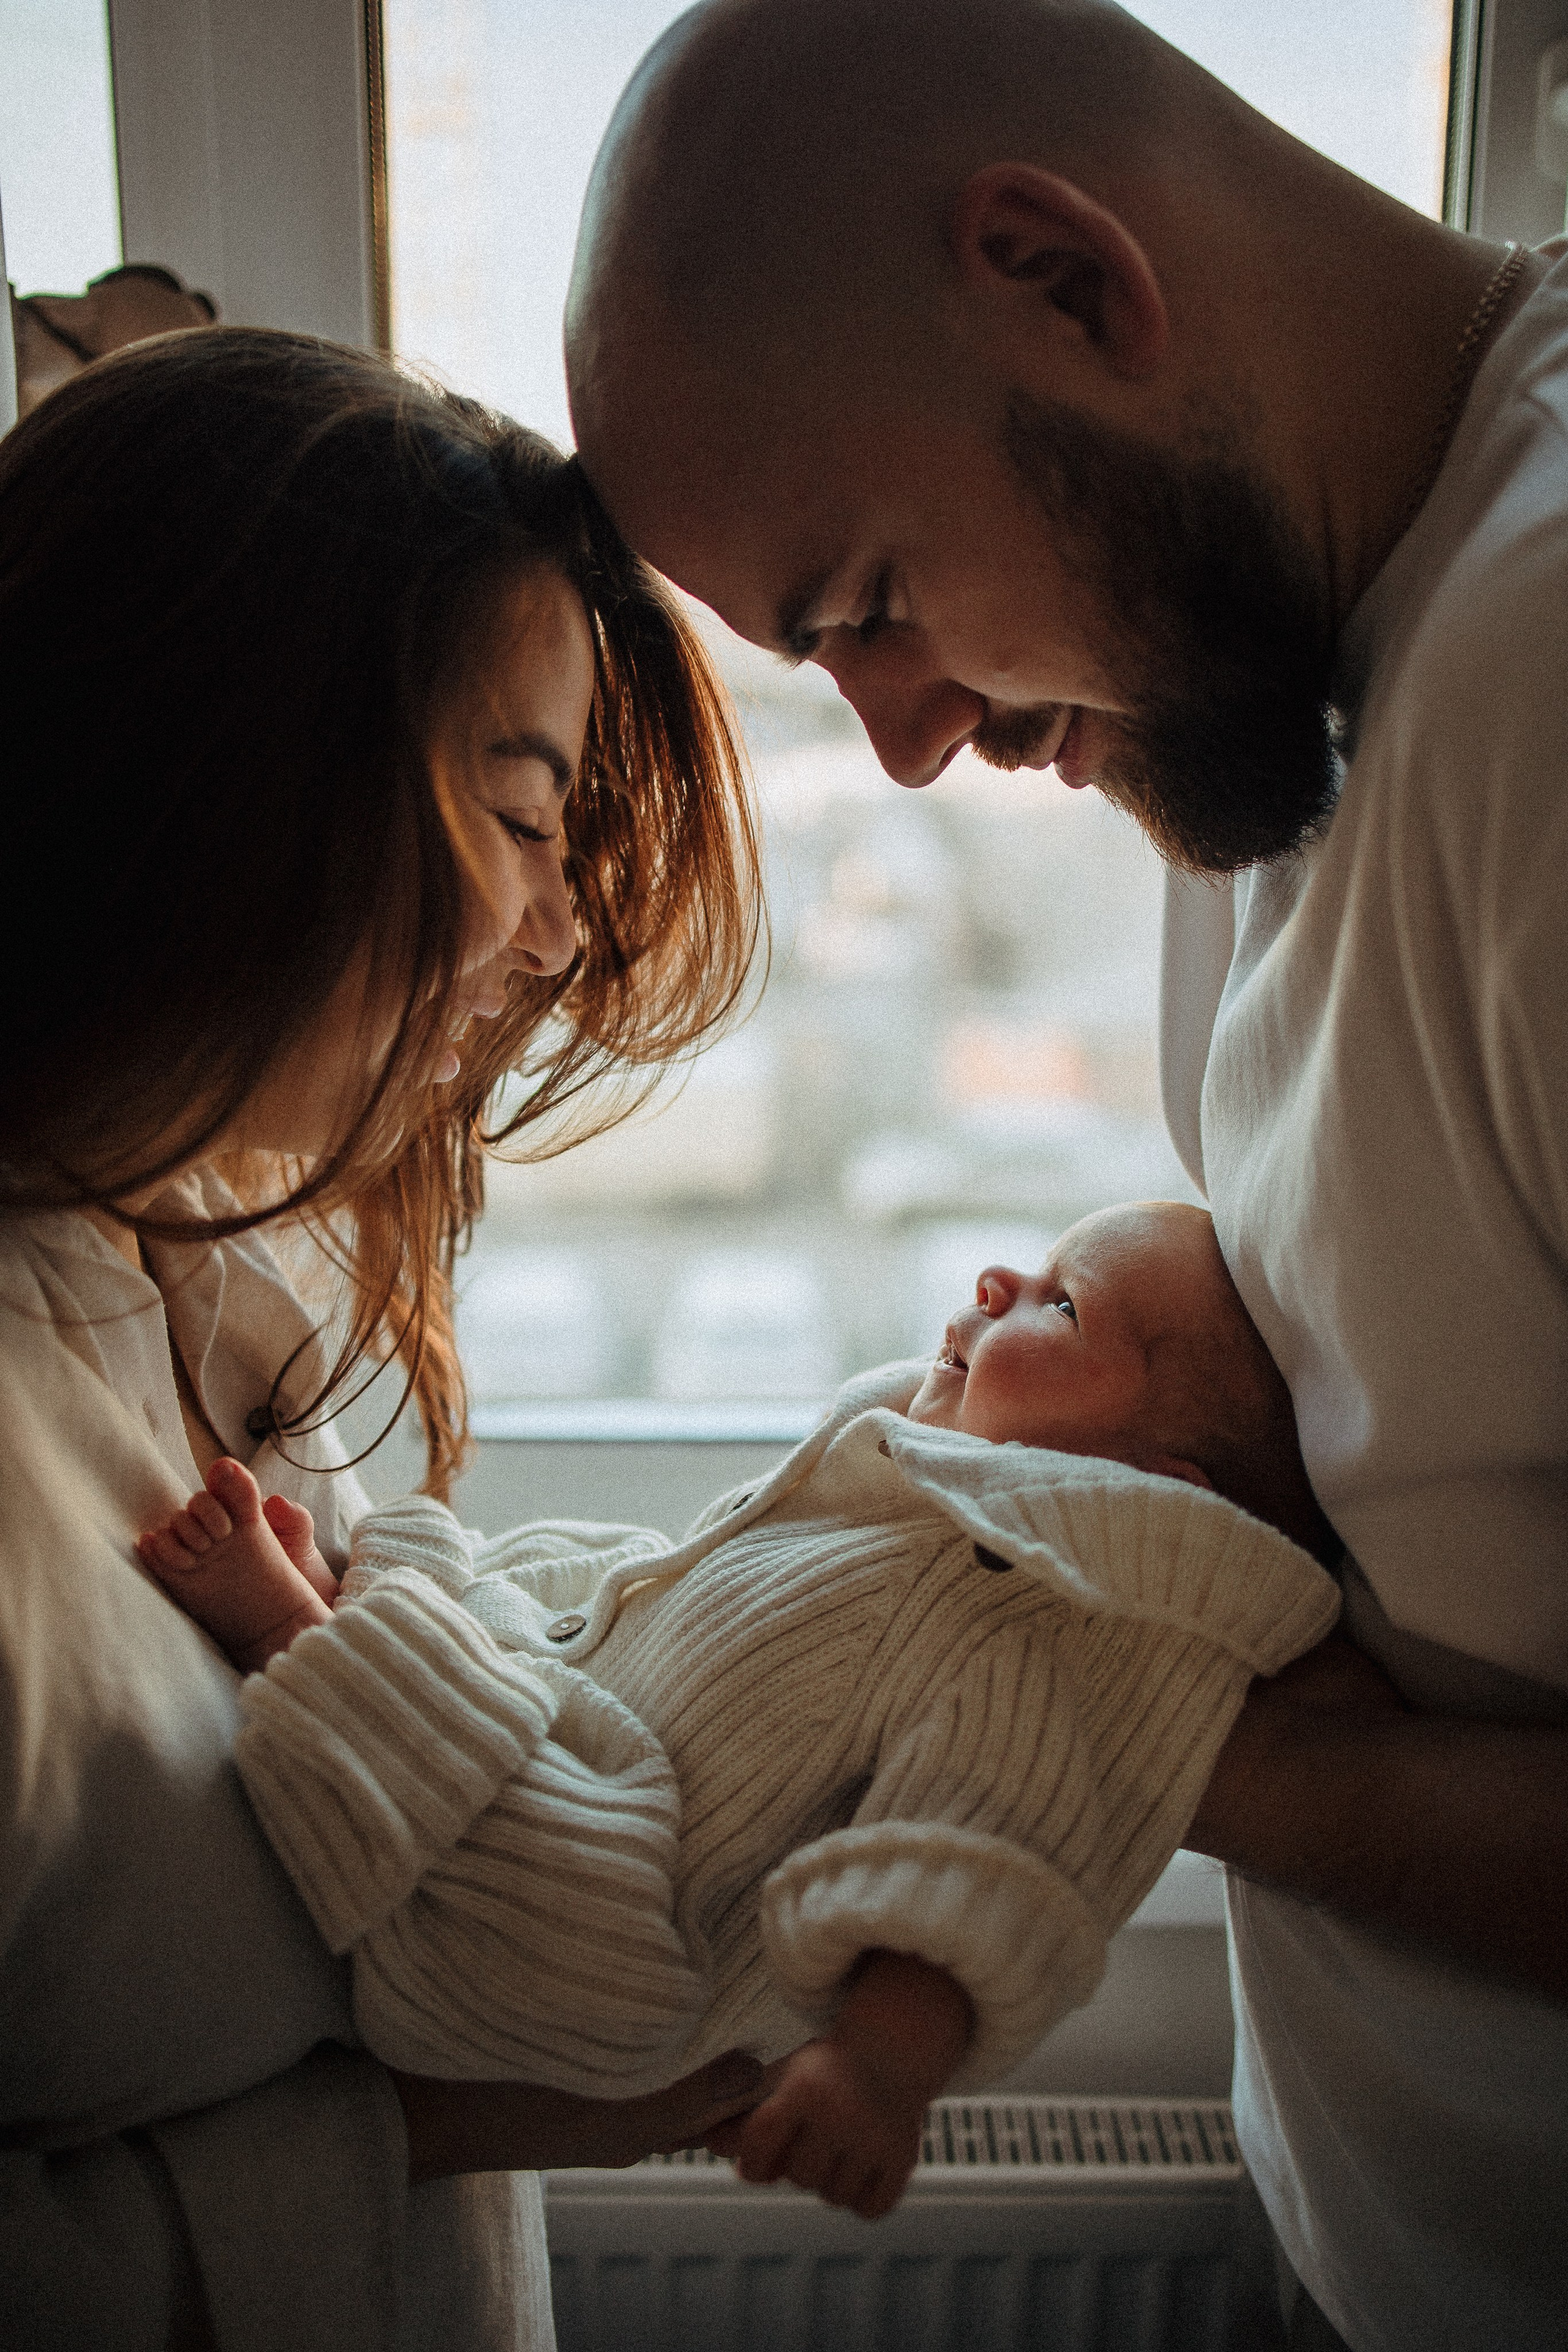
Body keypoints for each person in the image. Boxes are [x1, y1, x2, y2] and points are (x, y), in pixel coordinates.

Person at [561, 2, 1568, 2344]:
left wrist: (1155, 1744)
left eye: (865, 604)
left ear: (1066, 278)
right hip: (1386, 2234)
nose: (905, 747)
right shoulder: (1273, 678)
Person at [0, 325, 768, 2352]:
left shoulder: (233, 1240)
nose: (563, 931)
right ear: (226, 779)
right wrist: (462, 2118)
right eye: (519, 817)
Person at [138, 1201, 1338, 2223]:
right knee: (531, 1608)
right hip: (603, 1737)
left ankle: (288, 1630)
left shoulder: (1025, 1617)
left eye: (1062, 1307)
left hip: (616, 1936)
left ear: (1149, 1487)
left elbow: (980, 1856)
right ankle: (371, 1621)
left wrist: (878, 2071)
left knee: (524, 1822)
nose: (995, 1282)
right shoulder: (914, 1498)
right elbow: (673, 1586)